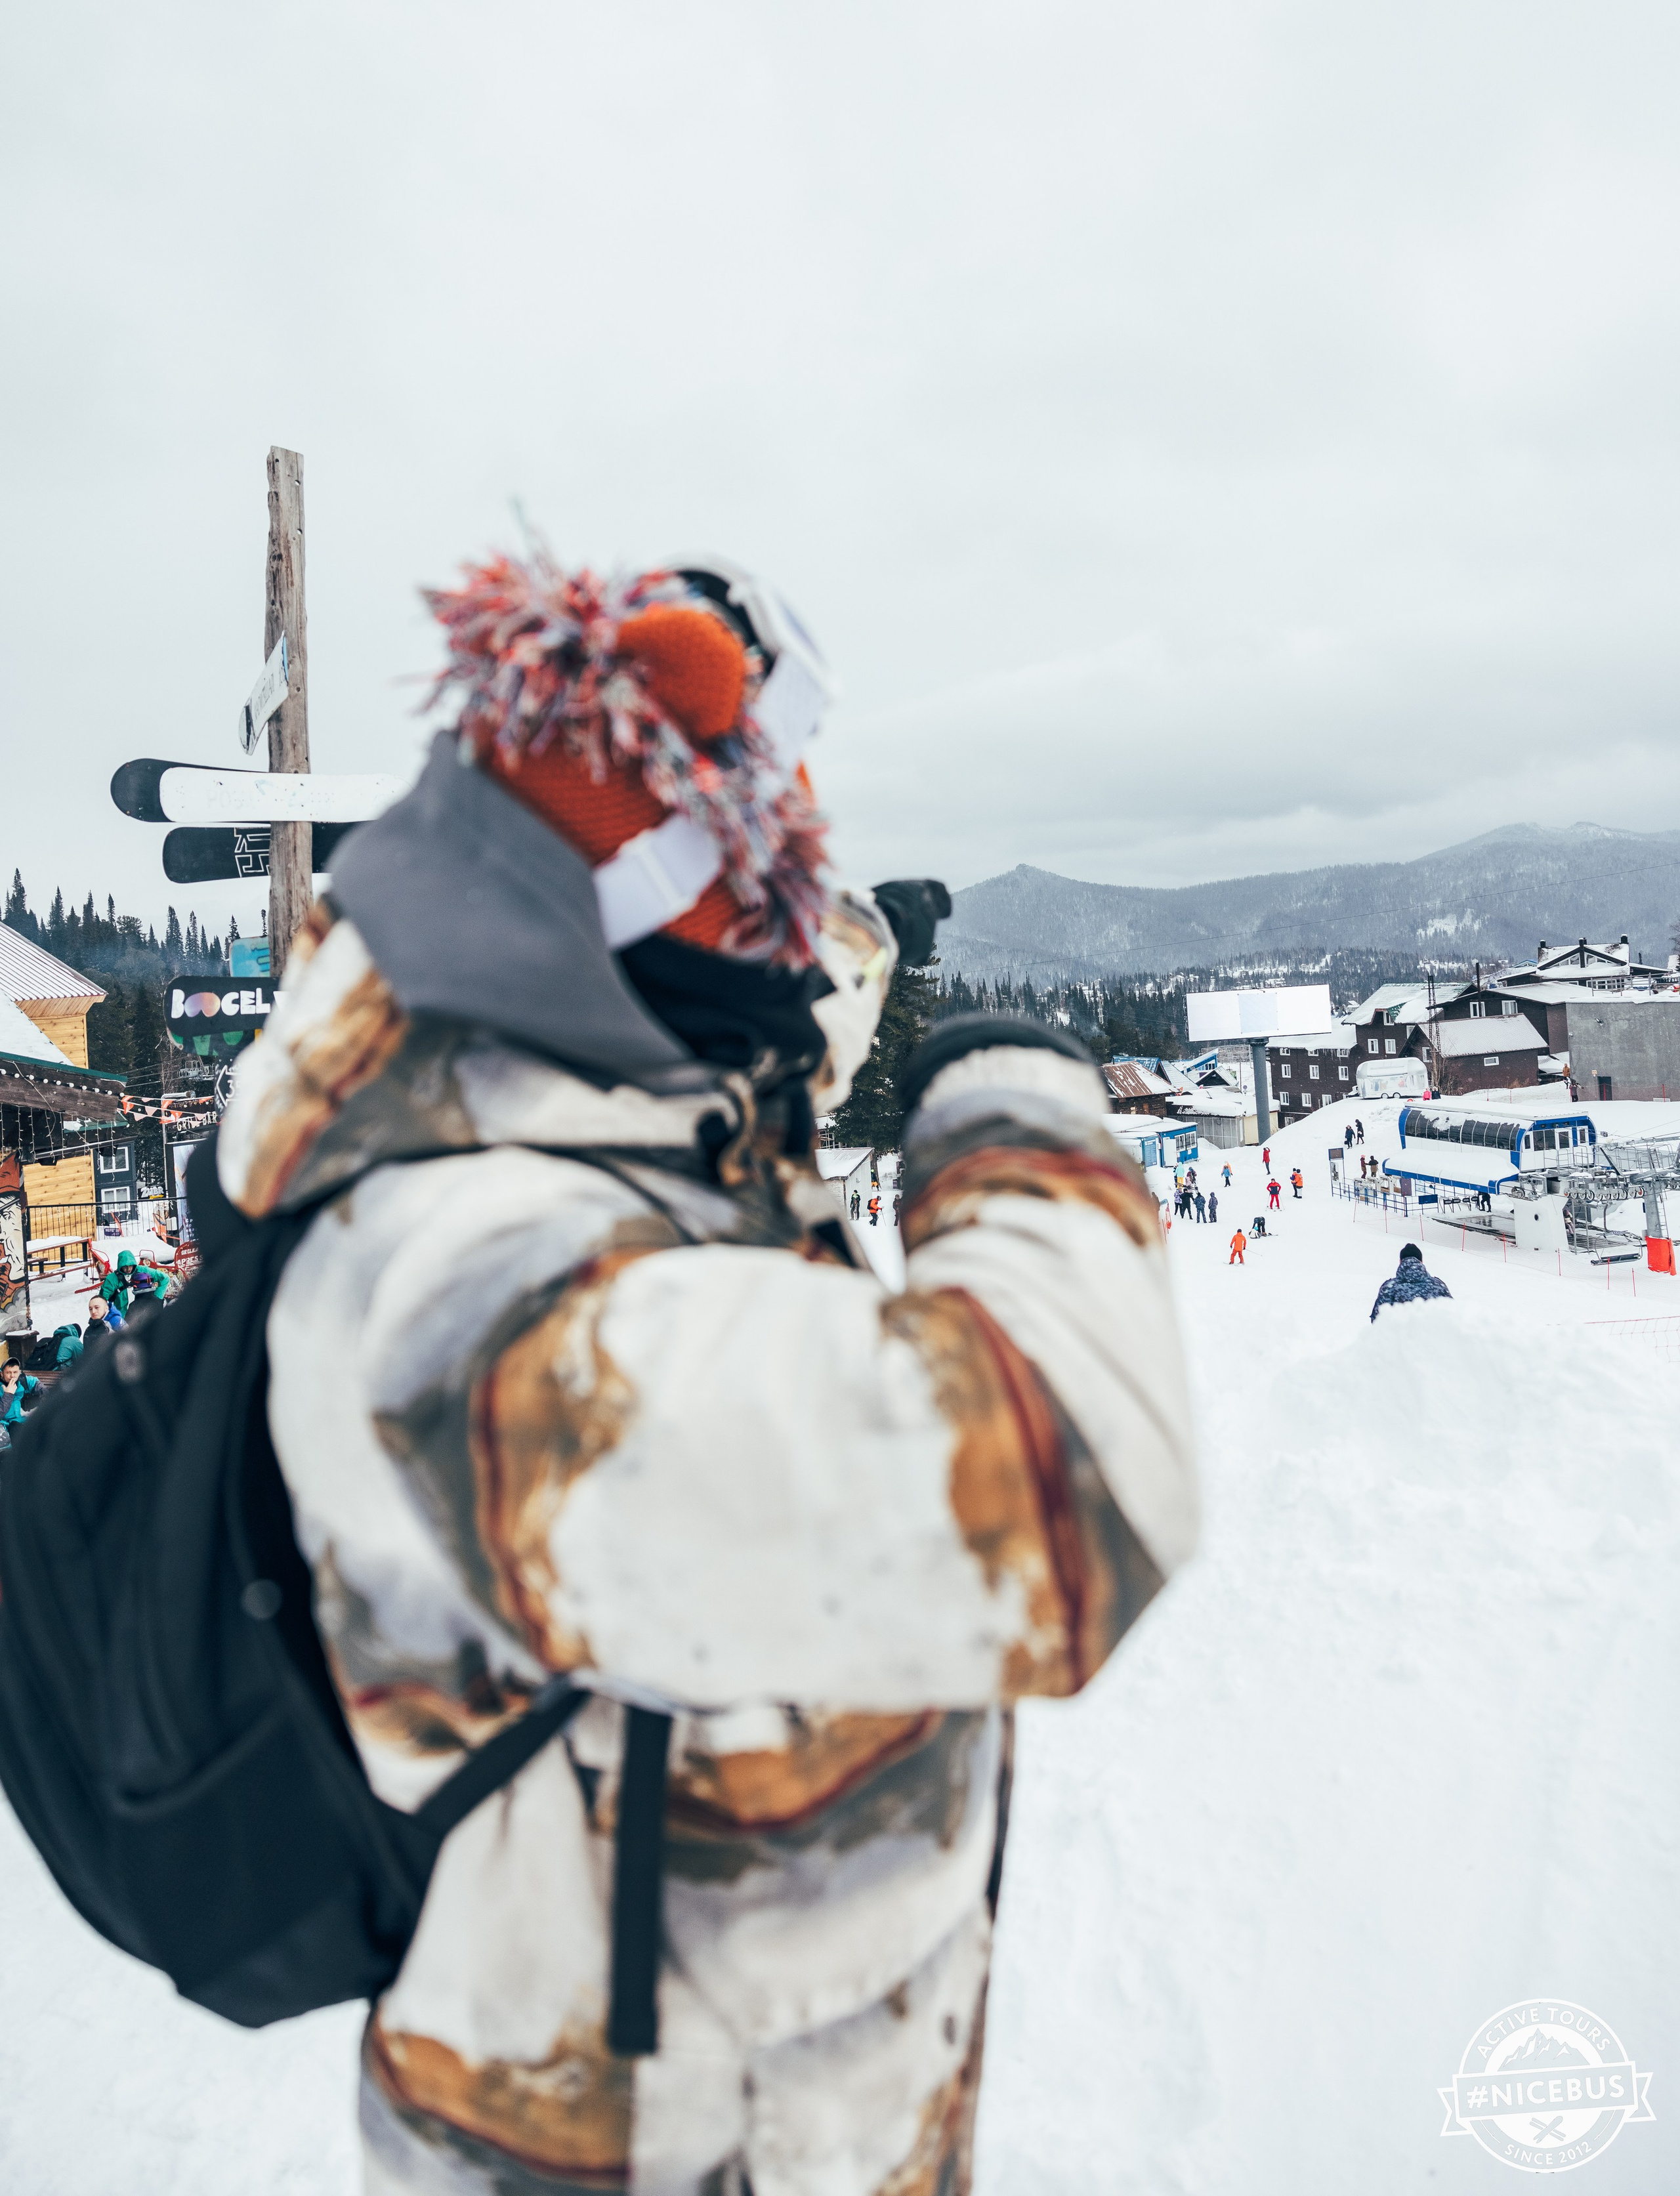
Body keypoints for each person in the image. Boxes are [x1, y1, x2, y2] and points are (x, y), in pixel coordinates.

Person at [211, 547, 1197, 2195]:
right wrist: (1011, 1113)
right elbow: (1071, 1479)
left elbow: (698, 1028)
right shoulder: (464, 1286)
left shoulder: (488, 1039)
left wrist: (861, 950)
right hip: (638, 2136)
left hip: (736, 2059)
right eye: (764, 883)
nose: (793, 938)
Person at [1370, 1243, 1453, 1321]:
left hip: (1398, 1332)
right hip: (1434, 1332)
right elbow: (1454, 1315)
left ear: (1400, 1261)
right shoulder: (1438, 1286)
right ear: (1421, 1262)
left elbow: (1377, 1320)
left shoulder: (1389, 1288)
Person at [99, 1247, 171, 1317]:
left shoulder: (142, 1270)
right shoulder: (112, 1279)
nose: (128, 1269)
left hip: (143, 1314)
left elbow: (165, 1278)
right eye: (125, 1266)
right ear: (120, 1265)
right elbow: (101, 1300)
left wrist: (157, 1298)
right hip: (122, 1317)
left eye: (131, 1266)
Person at [0, 1361, 40, 1426]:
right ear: (2, 1374)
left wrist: (47, 1395)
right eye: (8, 1373)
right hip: (4, 1424)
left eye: (15, 1372)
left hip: (19, 1420)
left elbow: (34, 1382)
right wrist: (8, 1394)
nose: (12, 1376)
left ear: (19, 1372)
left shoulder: (20, 1381)